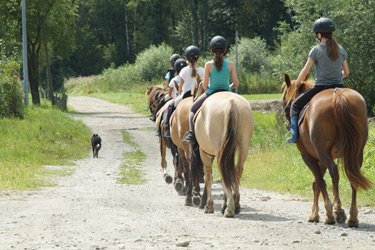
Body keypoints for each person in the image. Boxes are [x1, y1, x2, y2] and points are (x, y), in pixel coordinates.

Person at [286, 17, 349, 143]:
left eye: (316, 34)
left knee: (295, 105)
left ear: (319, 35)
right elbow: (346, 72)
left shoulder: (316, 50)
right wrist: (337, 75)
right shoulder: (340, 49)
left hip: (321, 87)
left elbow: (305, 71)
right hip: (339, 85)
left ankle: (294, 136)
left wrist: (298, 82)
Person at [182, 35, 239, 143]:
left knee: (193, 109)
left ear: (211, 51)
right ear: (225, 50)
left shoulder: (208, 65)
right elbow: (236, 83)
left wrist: (210, 87)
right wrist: (229, 86)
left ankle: (192, 134)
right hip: (227, 91)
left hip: (211, 93)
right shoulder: (230, 64)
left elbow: (204, 86)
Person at [149, 54, 181, 122]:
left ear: (172, 63)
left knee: (161, 101)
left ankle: (154, 115)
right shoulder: (186, 70)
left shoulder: (170, 71)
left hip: (173, 93)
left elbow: (167, 85)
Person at [163, 58, 187, 137]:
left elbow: (170, 95)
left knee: (168, 108)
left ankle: (166, 128)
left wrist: (175, 97)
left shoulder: (174, 79)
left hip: (178, 99)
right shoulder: (189, 76)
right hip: (189, 97)